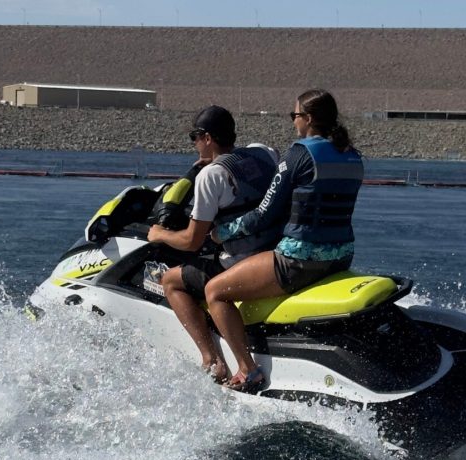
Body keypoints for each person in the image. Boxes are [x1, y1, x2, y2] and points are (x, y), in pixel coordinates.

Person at [205, 89, 364, 392]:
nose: (294, 122)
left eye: (295, 116)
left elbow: (263, 214)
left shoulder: (300, 153)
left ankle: (247, 370)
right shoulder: (352, 155)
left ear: (309, 119)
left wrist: (220, 233)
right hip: (341, 257)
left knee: (215, 291)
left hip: (298, 261)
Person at [147, 105, 279, 383]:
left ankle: (216, 360)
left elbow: (192, 241)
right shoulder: (263, 152)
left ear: (208, 138)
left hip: (240, 261)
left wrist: (159, 234)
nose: (194, 144)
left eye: (195, 137)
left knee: (171, 280)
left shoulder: (211, 176)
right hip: (273, 251)